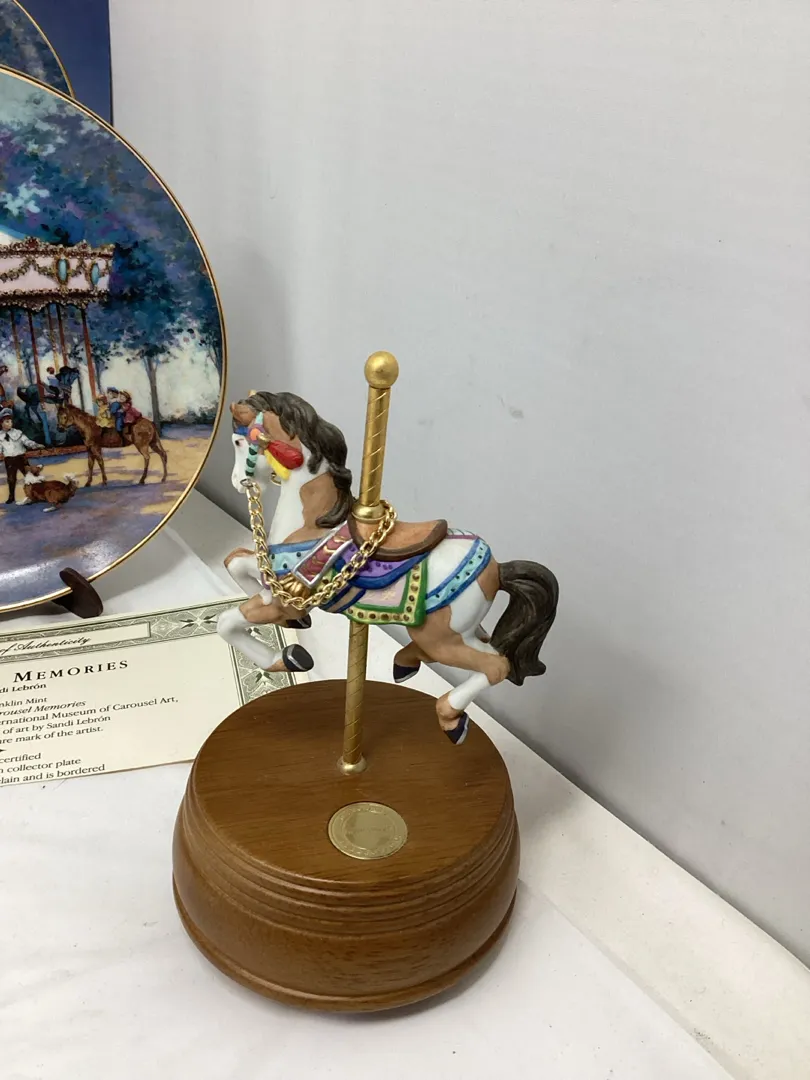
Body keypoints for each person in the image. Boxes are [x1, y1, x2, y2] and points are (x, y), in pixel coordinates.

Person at [0, 407, 43, 505]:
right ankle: (11, 497)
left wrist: (35, 445)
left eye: (11, 421)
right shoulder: (0, 436)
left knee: (30, 475)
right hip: (9, 460)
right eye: (7, 421)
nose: (10, 423)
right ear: (1, 423)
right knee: (11, 479)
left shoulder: (17, 432)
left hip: (21, 458)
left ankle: (39, 492)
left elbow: (26, 441)